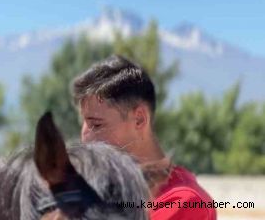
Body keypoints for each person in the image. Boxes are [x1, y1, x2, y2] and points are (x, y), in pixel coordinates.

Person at [71, 55, 216, 220]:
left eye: (97, 125)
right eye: (83, 122)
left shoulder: (184, 204)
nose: (85, 138)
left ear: (139, 119)